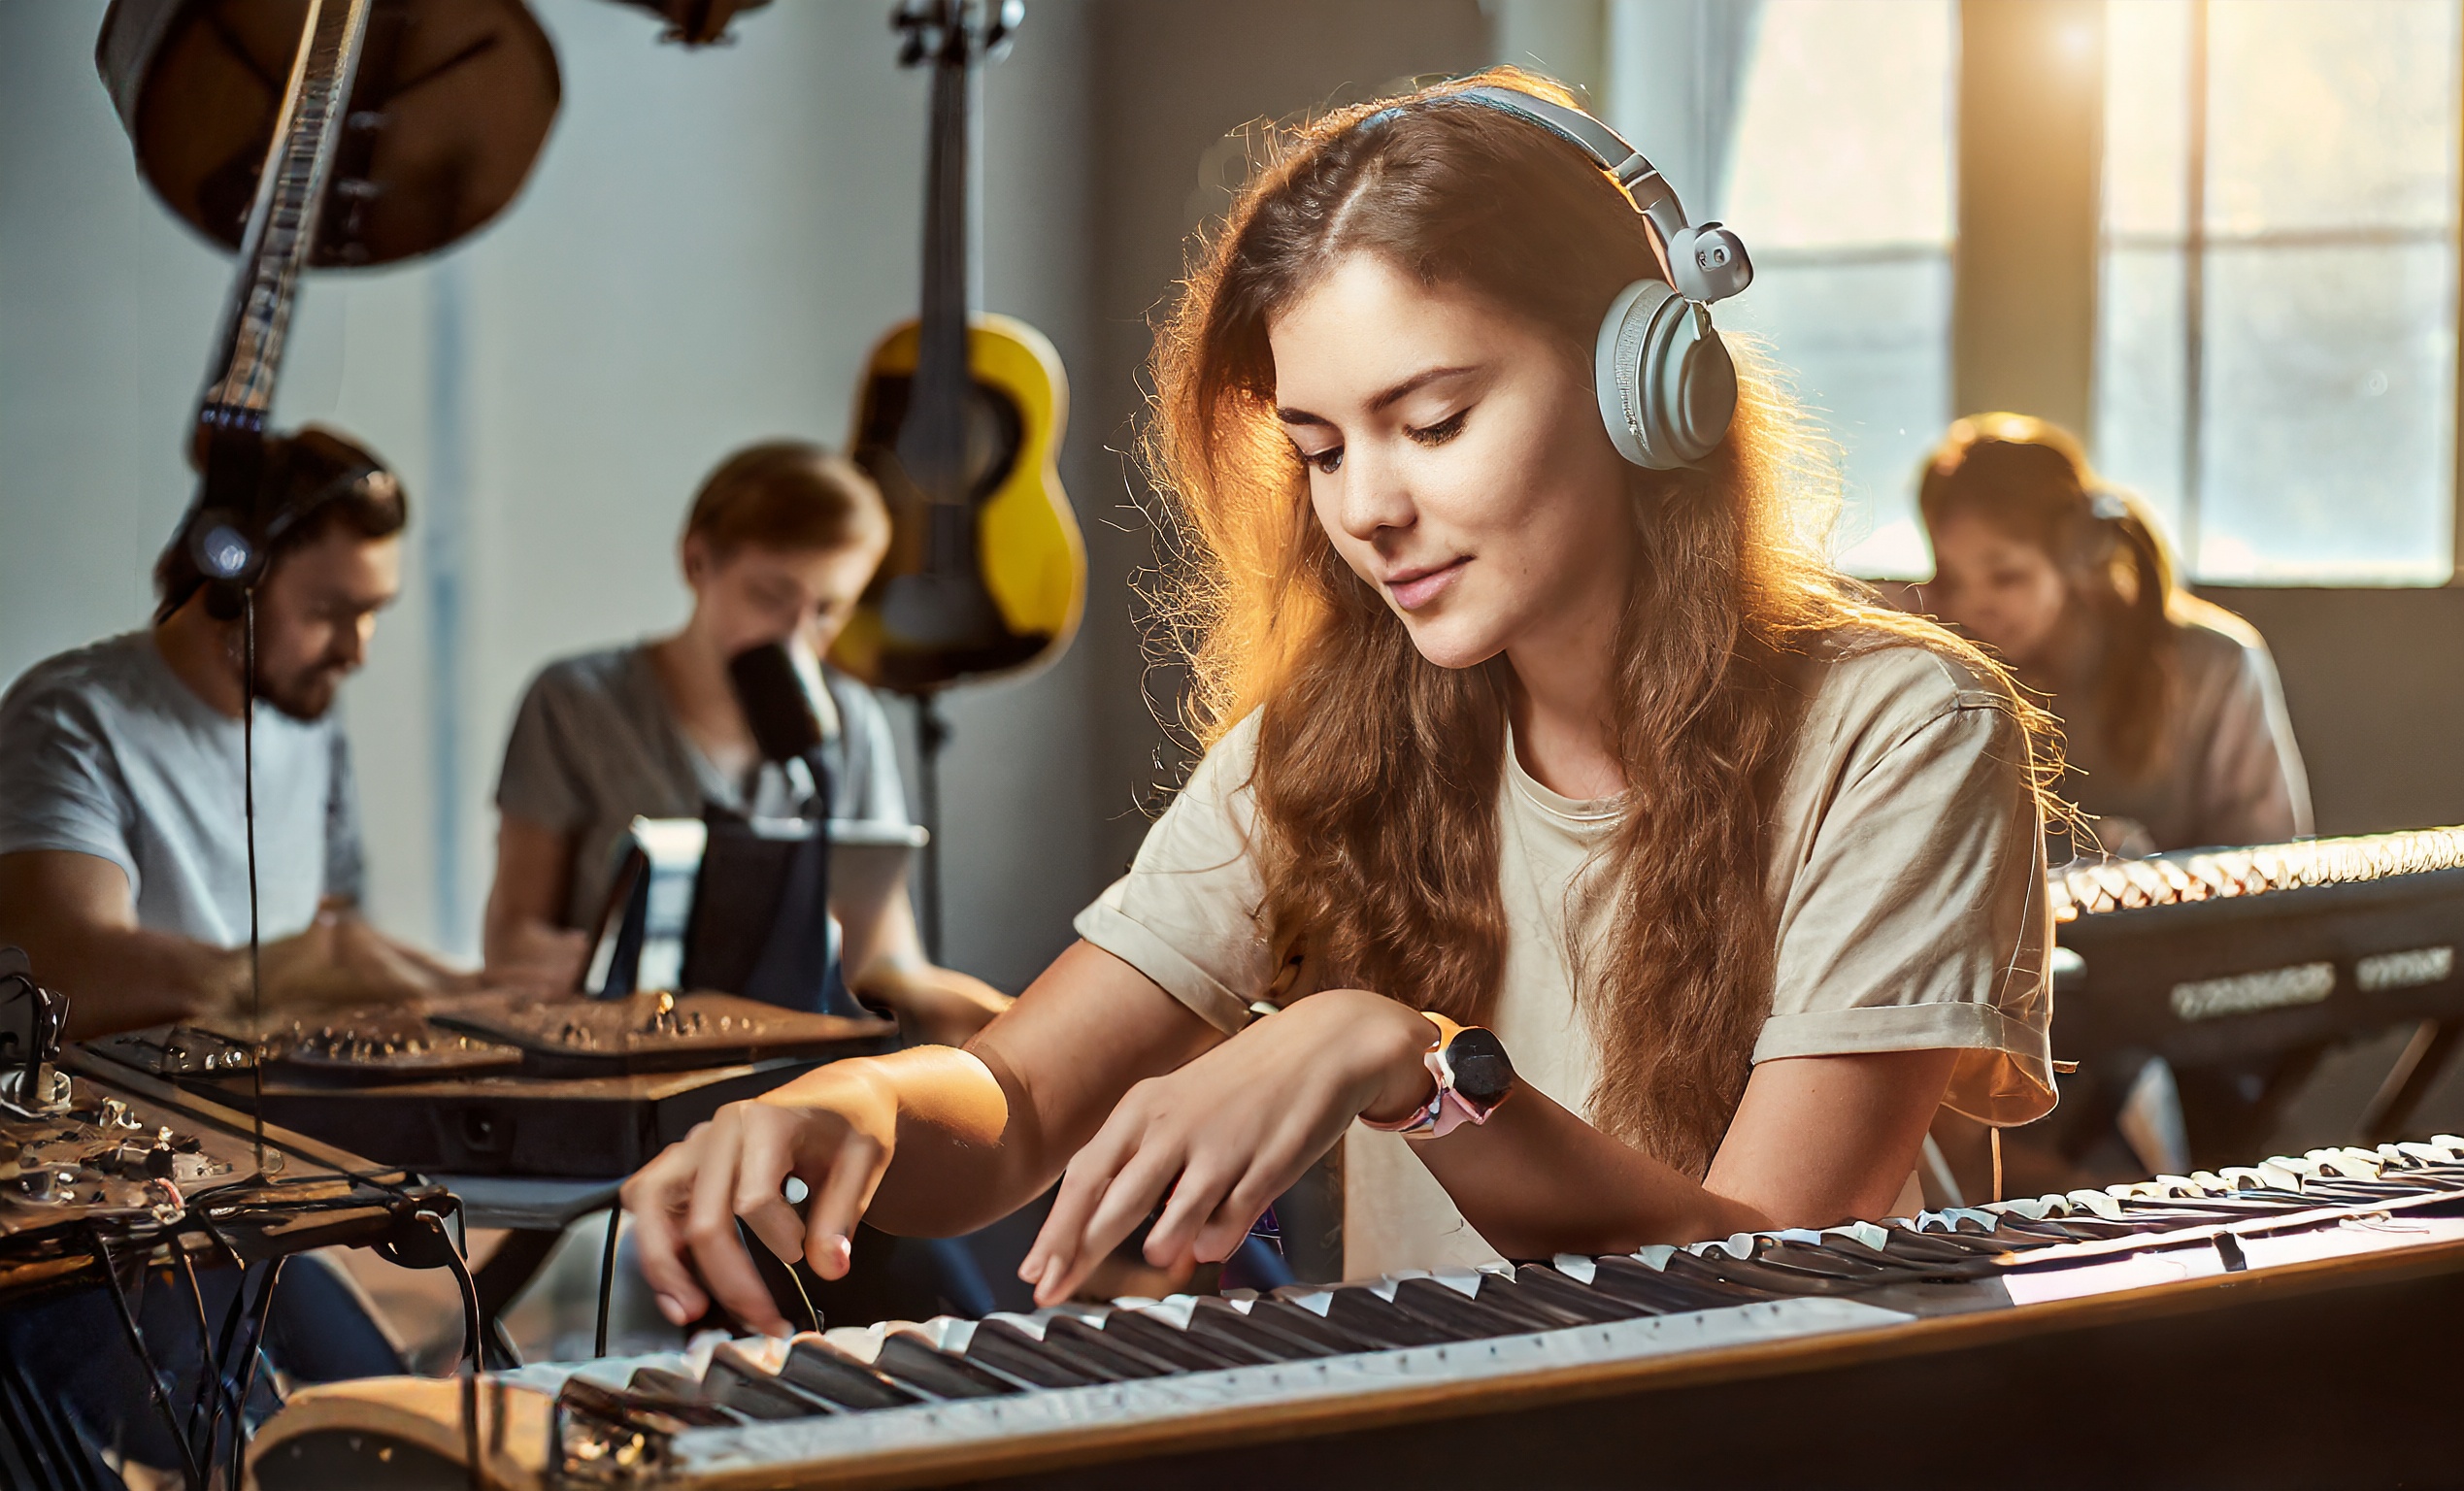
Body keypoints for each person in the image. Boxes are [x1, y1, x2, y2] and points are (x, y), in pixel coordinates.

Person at [620, 71, 2055, 1334]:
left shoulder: (1906, 733)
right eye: (1317, 448)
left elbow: (1774, 1275)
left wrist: (1416, 1066)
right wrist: (850, 1107)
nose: (1368, 509)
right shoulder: (1322, 752)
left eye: (1434, 423)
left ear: (1645, 388)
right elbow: (1014, 1110)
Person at [482, 440, 1009, 1045]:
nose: (796, 637)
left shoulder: (850, 721)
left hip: (794, 1073)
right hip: (618, 1059)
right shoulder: (575, 704)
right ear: (696, 561)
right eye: (771, 597)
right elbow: (512, 934)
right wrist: (575, 965)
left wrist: (1028, 1023)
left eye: (828, 611)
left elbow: (884, 963)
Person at [0, 425, 461, 1042]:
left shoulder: (308, 715)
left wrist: (482, 992)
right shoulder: (72, 719)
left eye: (373, 612)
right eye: (328, 612)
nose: (357, 652)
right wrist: (267, 979)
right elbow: (62, 974)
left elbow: (337, 940)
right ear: (231, 584)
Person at [1919, 413, 2313, 858]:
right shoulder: (1951, 676)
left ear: (2074, 558)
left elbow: (2270, 862)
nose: (1971, 605)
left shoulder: (2217, 664)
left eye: (2007, 577)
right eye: (1950, 580)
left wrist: (2144, 869)